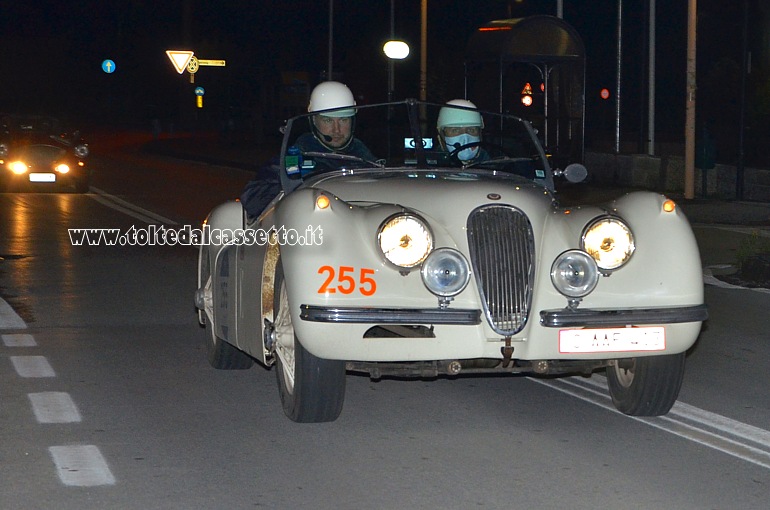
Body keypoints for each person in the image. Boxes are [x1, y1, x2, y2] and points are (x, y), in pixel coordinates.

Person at [240, 81, 374, 217]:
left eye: (343, 120)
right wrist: (297, 189)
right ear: (314, 120)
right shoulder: (297, 157)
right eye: (328, 120)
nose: (337, 129)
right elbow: (253, 197)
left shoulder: (366, 158)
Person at [436, 99, 489, 165]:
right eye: (455, 130)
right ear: (442, 136)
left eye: (471, 130)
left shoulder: (494, 166)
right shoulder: (428, 166)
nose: (465, 137)